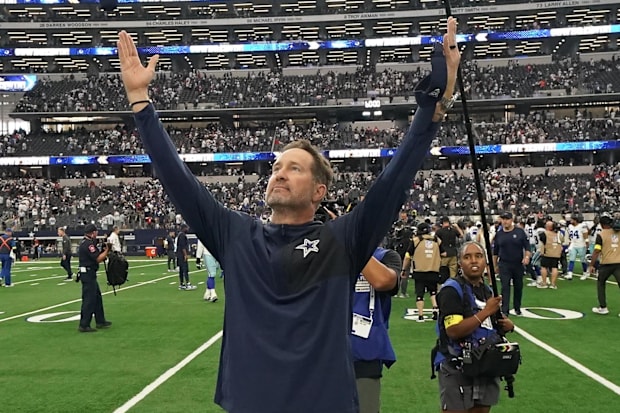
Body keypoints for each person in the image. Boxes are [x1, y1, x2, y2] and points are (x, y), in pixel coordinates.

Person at [118, 17, 460, 412]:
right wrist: (140, 103)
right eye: (277, 167)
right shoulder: (236, 234)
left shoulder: (342, 240)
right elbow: (177, 180)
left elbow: (395, 181)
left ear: (320, 191)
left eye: (294, 168)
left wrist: (433, 111)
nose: (280, 172)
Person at [434, 241, 515, 413]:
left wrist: (506, 325)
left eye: (478, 256)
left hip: (485, 365)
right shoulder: (451, 290)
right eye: (467, 257)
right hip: (457, 366)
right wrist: (486, 311)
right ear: (460, 263)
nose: (473, 261)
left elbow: (490, 325)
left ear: (485, 262)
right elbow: (454, 330)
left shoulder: (487, 290)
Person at [351, 248, 400, 413]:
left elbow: (383, 281)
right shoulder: (328, 251)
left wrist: (354, 245)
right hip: (324, 354)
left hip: (364, 353)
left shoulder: (385, 256)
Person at [401, 222, 441, 321]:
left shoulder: (416, 240)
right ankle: (435, 308)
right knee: (433, 291)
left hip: (419, 270)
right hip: (433, 269)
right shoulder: (436, 240)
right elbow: (444, 253)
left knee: (420, 294)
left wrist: (404, 269)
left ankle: (420, 315)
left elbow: (407, 256)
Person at [492, 212, 530, 316]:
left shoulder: (519, 232)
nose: (505, 221)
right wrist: (494, 265)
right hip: (504, 264)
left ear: (511, 220)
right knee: (505, 287)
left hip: (517, 263)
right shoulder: (499, 234)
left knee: (518, 286)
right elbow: (495, 251)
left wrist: (526, 257)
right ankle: (505, 310)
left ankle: (517, 307)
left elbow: (527, 247)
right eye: (503, 219)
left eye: (507, 219)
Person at [77, 224, 112, 332]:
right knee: (89, 299)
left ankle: (100, 320)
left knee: (97, 298)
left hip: (89, 273)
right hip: (88, 274)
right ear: (93, 232)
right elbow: (97, 258)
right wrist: (107, 250)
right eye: (96, 232)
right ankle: (84, 324)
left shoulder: (86, 242)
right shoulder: (88, 245)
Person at [589, 213, 620, 315]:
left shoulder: (601, 235)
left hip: (606, 263)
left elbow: (597, 250)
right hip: (619, 262)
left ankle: (603, 307)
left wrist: (592, 264)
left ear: (601, 224)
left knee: (601, 284)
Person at [538, 220, 562, 290]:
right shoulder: (558, 234)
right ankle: (553, 284)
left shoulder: (544, 234)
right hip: (556, 253)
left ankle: (544, 283)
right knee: (554, 268)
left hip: (547, 253)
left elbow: (541, 239)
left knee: (544, 267)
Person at [566, 213, 590, 281]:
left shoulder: (582, 226)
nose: (570, 220)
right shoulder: (570, 226)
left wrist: (587, 244)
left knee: (583, 260)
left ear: (575, 220)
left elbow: (586, 236)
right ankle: (570, 273)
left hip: (581, 245)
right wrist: (569, 243)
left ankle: (585, 273)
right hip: (573, 244)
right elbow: (570, 237)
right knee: (571, 259)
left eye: (572, 219)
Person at [175, 224, 196, 290]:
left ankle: (182, 284)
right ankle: (188, 283)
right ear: (184, 228)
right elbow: (183, 246)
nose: (187, 229)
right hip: (181, 255)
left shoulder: (179, 235)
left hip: (179, 254)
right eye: (186, 228)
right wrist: (185, 255)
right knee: (185, 269)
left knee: (181, 270)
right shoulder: (182, 235)